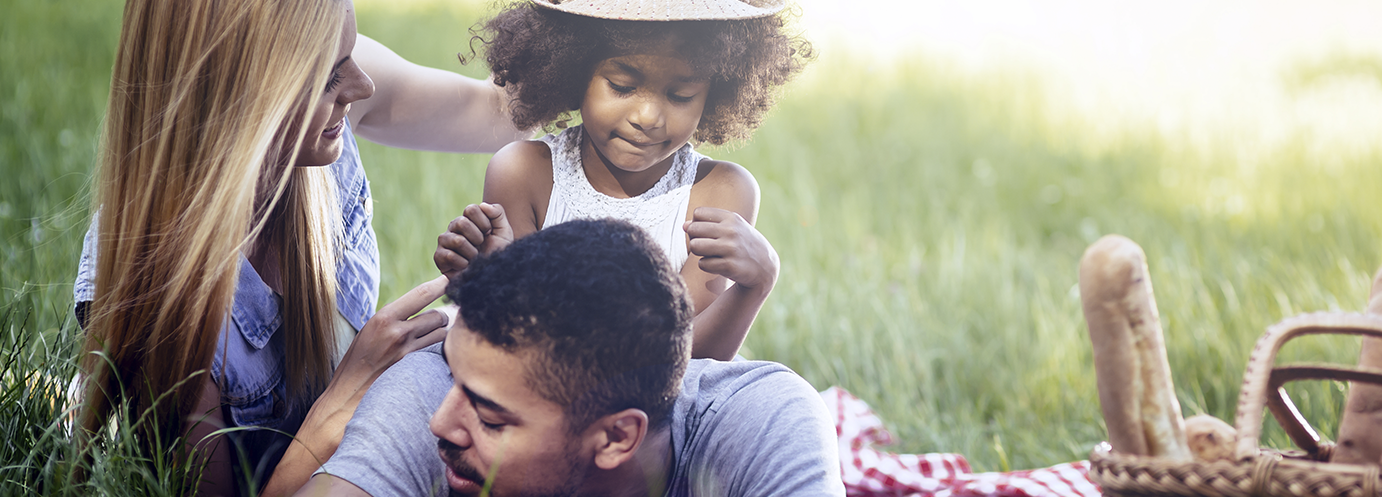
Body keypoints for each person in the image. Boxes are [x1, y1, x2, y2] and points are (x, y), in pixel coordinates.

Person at [73, 0, 523, 494]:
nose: (362, 86)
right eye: (327, 79)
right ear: (235, 102)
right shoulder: (164, 308)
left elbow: (501, 114)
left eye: (350, 55)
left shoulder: (328, 96)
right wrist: (345, 398)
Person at [298, 219, 843, 496]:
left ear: (615, 438)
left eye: (491, 418)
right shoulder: (430, 396)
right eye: (452, 379)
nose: (442, 422)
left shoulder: (761, 425)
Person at [432, 0, 815, 361]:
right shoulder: (525, 173)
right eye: (621, 86)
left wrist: (757, 286)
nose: (648, 116)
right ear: (573, 71)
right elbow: (518, 343)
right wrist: (481, 284)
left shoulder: (719, 191)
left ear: (714, 93)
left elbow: (691, 362)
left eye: (680, 95)